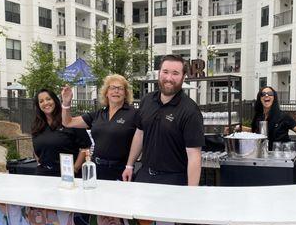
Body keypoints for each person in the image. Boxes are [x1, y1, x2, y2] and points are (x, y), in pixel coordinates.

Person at [122, 54, 205, 186]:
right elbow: (140, 134)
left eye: (175, 73)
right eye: (165, 72)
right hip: (144, 176)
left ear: (183, 77)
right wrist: (129, 166)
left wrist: (191, 193)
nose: (169, 78)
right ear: (159, 73)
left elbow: (194, 156)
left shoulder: (190, 111)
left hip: (174, 180)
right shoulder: (147, 100)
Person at [61, 74, 138, 181]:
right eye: (112, 88)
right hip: (96, 169)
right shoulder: (99, 114)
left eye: (120, 88)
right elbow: (67, 122)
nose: (116, 91)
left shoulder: (134, 114)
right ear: (106, 93)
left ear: (125, 94)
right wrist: (66, 103)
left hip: (120, 170)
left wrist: (130, 166)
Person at [249, 86, 296, 163]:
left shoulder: (283, 116)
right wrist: (240, 128)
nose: (266, 95)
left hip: (281, 159)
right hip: (263, 158)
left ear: (274, 98)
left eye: (270, 93)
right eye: (263, 94)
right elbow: (255, 132)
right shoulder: (258, 117)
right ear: (260, 98)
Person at [32, 88, 91, 177]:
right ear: (38, 105)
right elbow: (36, 149)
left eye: (48, 99)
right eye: (41, 101)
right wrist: (40, 163)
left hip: (68, 175)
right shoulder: (37, 126)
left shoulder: (70, 122)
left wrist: (75, 169)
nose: (45, 103)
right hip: (43, 174)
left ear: (55, 100)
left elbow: (85, 147)